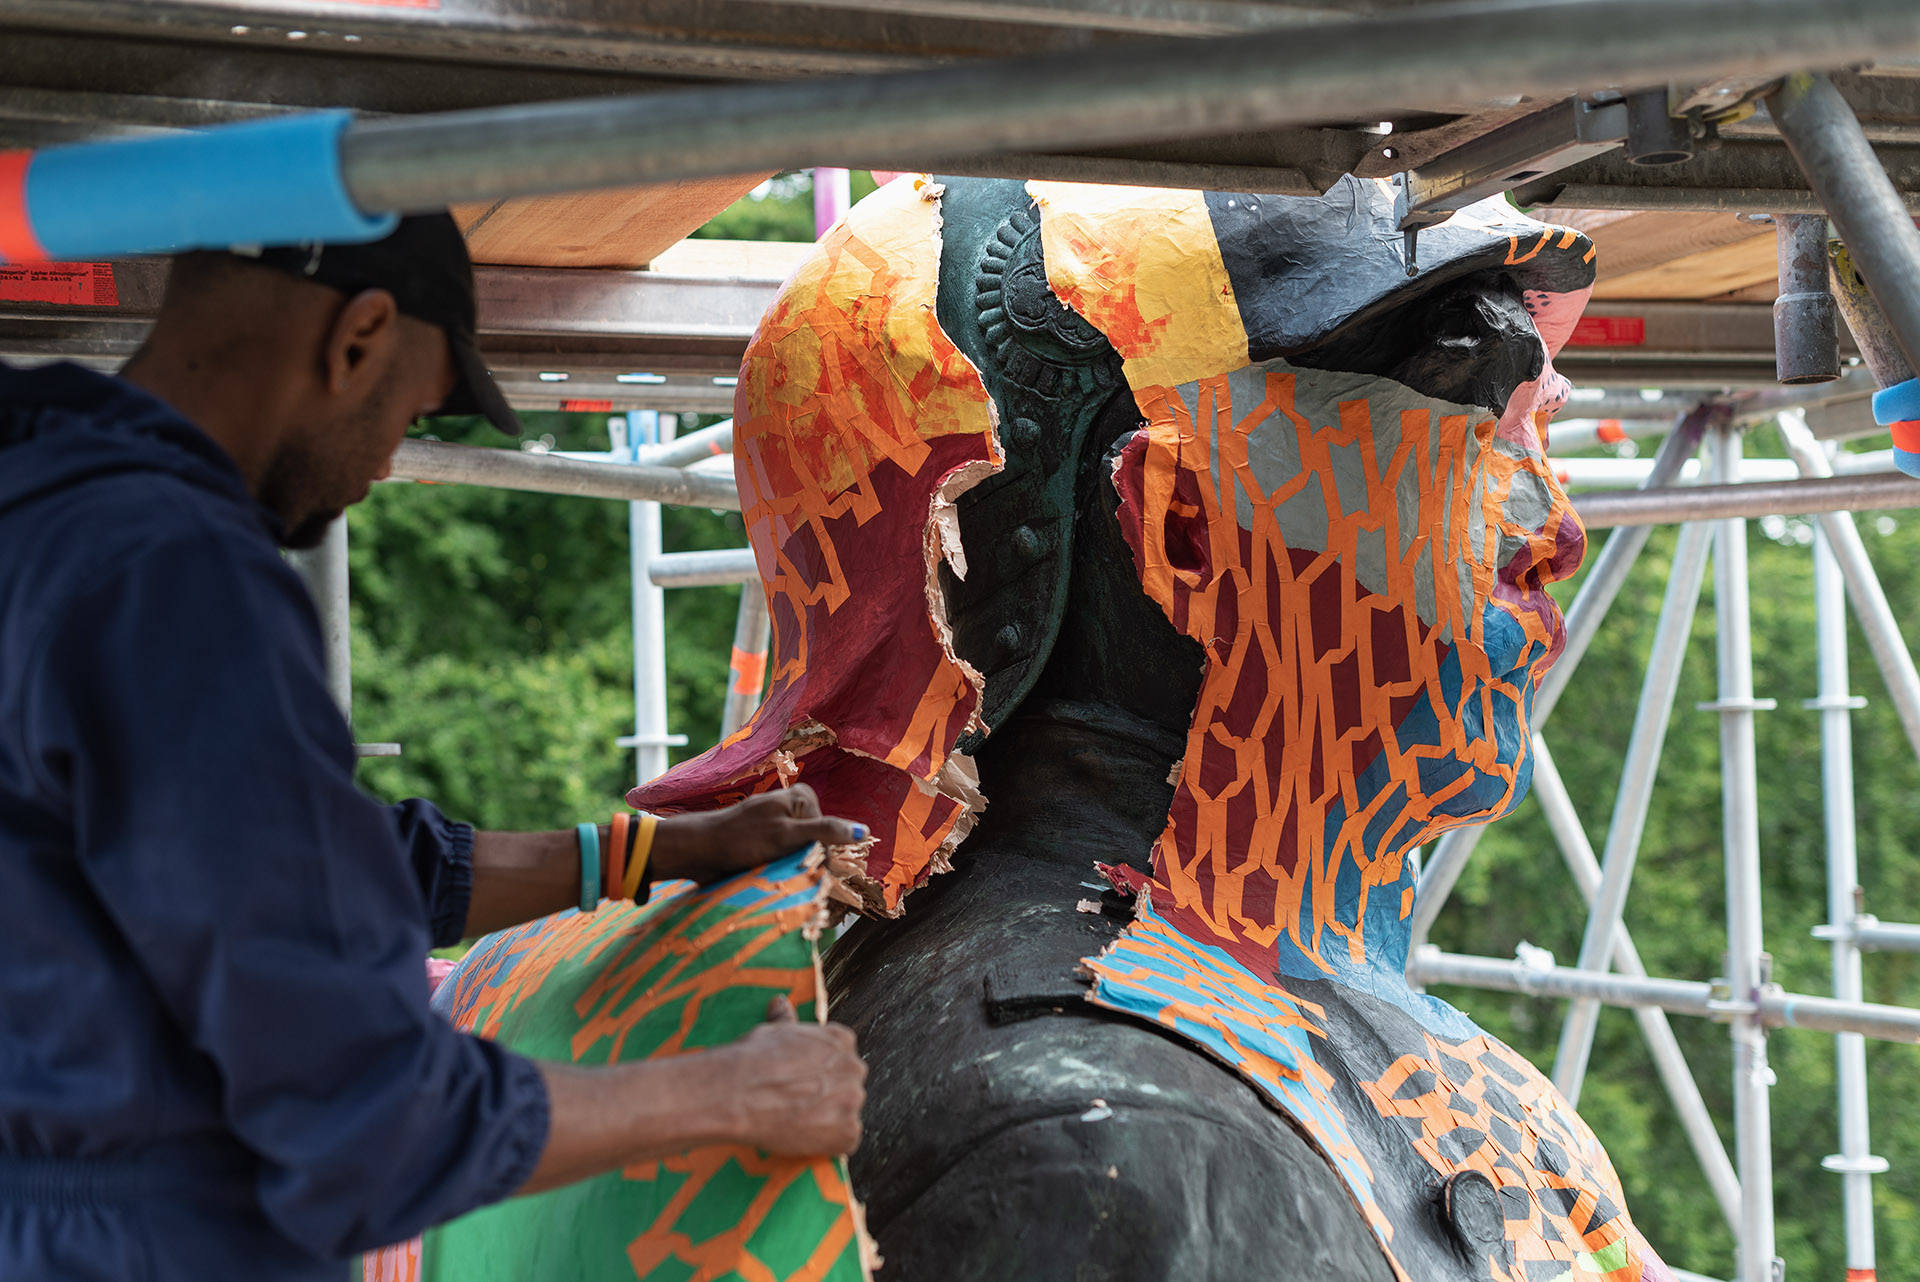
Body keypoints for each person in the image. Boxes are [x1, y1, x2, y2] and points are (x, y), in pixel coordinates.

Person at [0, 214, 868, 1282]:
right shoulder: (177, 577)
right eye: (406, 416)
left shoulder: (39, 504)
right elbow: (363, 1118)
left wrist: (649, 854)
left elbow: (300, 876)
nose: (382, 467)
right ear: (356, 338)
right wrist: (737, 1091)